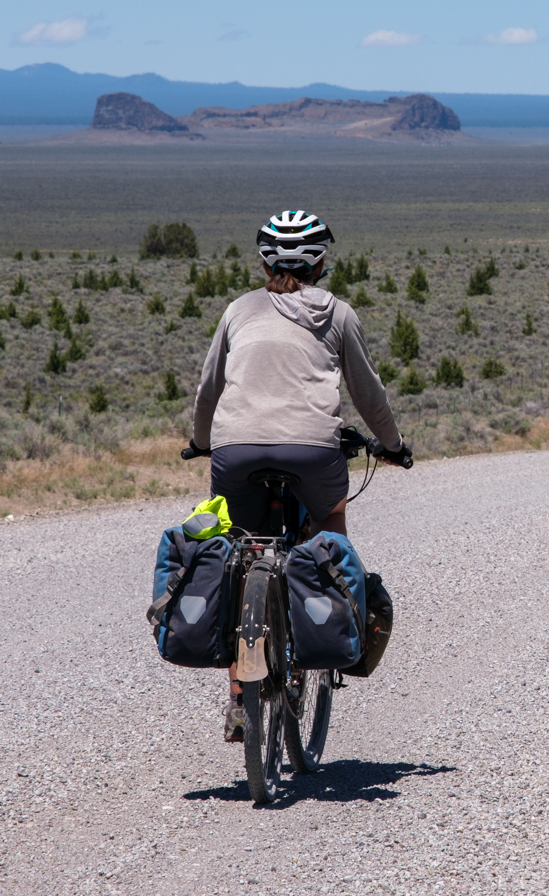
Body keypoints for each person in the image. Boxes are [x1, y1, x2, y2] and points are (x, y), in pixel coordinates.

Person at [189, 210, 408, 741]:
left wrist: (200, 443)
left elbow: (208, 389)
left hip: (234, 452)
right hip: (312, 453)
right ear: (322, 262)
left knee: (237, 544)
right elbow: (369, 396)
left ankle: (239, 697)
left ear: (264, 261)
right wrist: (394, 446)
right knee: (331, 516)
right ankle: (336, 620)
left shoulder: (237, 311)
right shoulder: (338, 314)